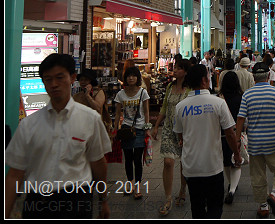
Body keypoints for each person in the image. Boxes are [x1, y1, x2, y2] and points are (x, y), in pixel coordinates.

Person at [5, 54, 112, 219]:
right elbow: (14, 174)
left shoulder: (90, 119)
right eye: (48, 79)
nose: (54, 84)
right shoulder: (29, 125)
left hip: (76, 199)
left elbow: (98, 162)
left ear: (72, 78)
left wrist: (103, 200)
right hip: (37, 201)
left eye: (59, 77)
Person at [174, 64, 241, 219]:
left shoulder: (180, 107)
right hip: (213, 166)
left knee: (197, 208)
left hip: (191, 167)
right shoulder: (218, 103)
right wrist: (236, 155)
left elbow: (180, 137)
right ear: (205, 80)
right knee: (215, 207)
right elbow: (230, 133)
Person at [235, 63, 275, 218]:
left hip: (255, 142)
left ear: (253, 76)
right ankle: (274, 195)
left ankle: (263, 206)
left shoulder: (247, 95)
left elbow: (240, 118)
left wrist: (237, 139)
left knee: (258, 175)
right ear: (268, 76)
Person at [152, 58, 191, 216]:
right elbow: (164, 108)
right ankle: (168, 197)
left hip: (185, 130)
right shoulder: (169, 86)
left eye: (179, 68)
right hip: (169, 128)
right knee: (168, 161)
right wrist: (156, 126)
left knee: (183, 163)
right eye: (174, 68)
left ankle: (182, 190)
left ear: (185, 72)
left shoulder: (189, 89)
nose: (175, 71)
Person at [114, 66, 151, 199]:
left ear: (137, 78)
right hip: (126, 130)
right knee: (128, 159)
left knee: (137, 159)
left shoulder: (142, 93)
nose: (131, 78)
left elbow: (147, 112)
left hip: (140, 129)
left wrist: (147, 128)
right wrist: (115, 129)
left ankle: (138, 187)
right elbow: (118, 113)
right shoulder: (120, 94)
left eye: (133, 76)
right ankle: (130, 185)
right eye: (129, 76)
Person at [219, 71, 245, 205]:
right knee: (236, 162)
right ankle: (232, 189)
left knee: (226, 162)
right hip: (236, 134)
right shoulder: (241, 98)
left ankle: (230, 184)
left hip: (221, 135)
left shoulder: (219, 98)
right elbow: (243, 117)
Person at [73, 68, 112, 138]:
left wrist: (88, 96)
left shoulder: (99, 92)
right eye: (81, 80)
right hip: (80, 129)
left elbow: (98, 108)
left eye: (85, 80)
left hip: (95, 129)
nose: (83, 82)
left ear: (91, 81)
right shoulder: (77, 96)